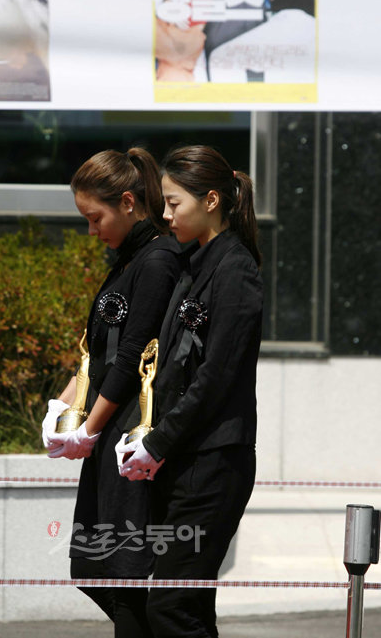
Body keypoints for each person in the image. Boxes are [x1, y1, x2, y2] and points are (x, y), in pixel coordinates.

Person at [116, 145, 263, 638]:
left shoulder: (235, 269)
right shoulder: (193, 263)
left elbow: (216, 377)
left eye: (175, 203)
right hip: (183, 461)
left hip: (214, 463)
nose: (165, 214)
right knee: (187, 608)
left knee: (172, 608)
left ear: (212, 200)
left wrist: (157, 442)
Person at [42, 148, 185, 638]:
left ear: (127, 202)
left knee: (123, 576)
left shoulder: (159, 259)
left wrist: (88, 428)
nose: (91, 231)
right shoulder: (128, 259)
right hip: (108, 430)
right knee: (94, 568)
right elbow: (96, 355)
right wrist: (61, 407)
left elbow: (130, 360)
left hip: (128, 433)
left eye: (95, 218)